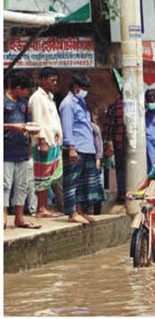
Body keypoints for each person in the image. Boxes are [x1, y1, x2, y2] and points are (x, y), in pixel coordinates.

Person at [4, 72, 41, 229]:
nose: (27, 94)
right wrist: (13, 126)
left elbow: (25, 123)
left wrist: (29, 130)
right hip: (5, 151)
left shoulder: (23, 103)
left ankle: (19, 217)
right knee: (5, 184)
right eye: (26, 90)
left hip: (22, 150)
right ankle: (3, 215)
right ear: (18, 88)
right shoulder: (3, 101)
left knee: (22, 185)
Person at [59, 73, 98, 224]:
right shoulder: (67, 104)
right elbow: (67, 127)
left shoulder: (80, 102)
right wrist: (71, 148)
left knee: (83, 183)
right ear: (76, 88)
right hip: (76, 148)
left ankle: (80, 211)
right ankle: (72, 213)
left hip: (87, 147)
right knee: (71, 182)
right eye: (83, 88)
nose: (85, 91)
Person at [28, 67, 64, 217]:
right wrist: (41, 140)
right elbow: (37, 120)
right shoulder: (37, 97)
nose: (54, 83)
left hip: (53, 142)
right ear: (43, 80)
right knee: (42, 176)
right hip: (44, 143)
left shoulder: (49, 97)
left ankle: (45, 207)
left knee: (50, 175)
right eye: (52, 80)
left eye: (56, 80)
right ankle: (41, 208)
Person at [104, 90, 126, 204]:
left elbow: (109, 126)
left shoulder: (114, 106)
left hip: (119, 143)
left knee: (121, 169)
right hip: (133, 145)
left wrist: (109, 142)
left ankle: (122, 193)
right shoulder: (136, 106)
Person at [86, 111, 105, 215]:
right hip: (87, 159)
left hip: (94, 160)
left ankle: (97, 210)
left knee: (96, 186)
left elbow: (99, 147)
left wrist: (98, 160)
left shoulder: (94, 128)